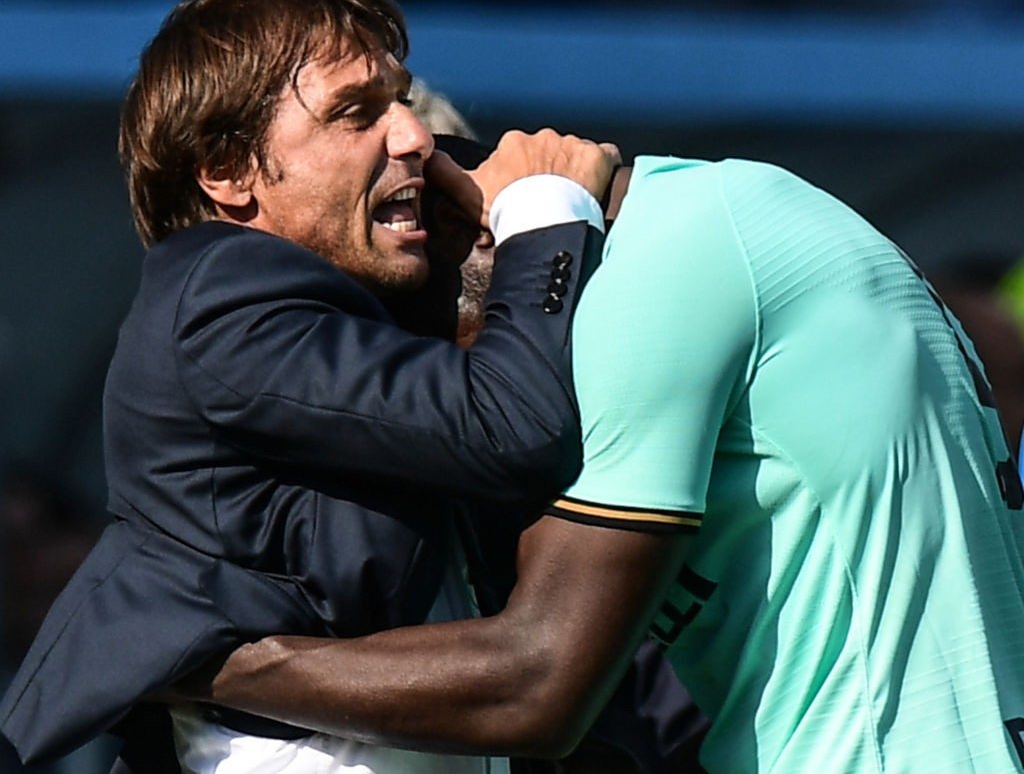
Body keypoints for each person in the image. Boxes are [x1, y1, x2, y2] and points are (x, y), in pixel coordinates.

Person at [181, 154, 1024, 771]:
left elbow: (537, 684)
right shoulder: (705, 234)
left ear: (480, 237)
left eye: (470, 376)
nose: (483, 427)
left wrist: (202, 660)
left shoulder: (668, 260)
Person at [0, 0, 617, 773]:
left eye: (401, 101)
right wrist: (546, 210)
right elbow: (512, 428)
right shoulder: (222, 293)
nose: (414, 137)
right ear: (228, 170)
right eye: (356, 113)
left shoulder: (335, 310)